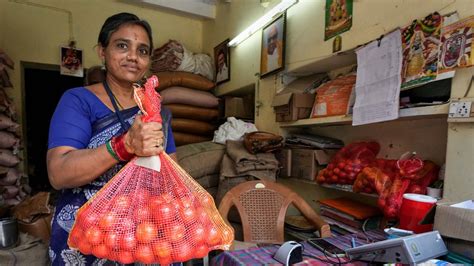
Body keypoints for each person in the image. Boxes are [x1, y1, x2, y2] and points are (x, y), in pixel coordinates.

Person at [47, 12, 177, 265]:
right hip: (89, 233)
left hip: (143, 234)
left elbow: (170, 173)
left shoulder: (158, 111)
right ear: (102, 51)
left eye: (143, 51)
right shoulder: (78, 101)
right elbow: (58, 173)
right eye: (122, 45)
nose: (133, 57)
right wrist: (125, 145)